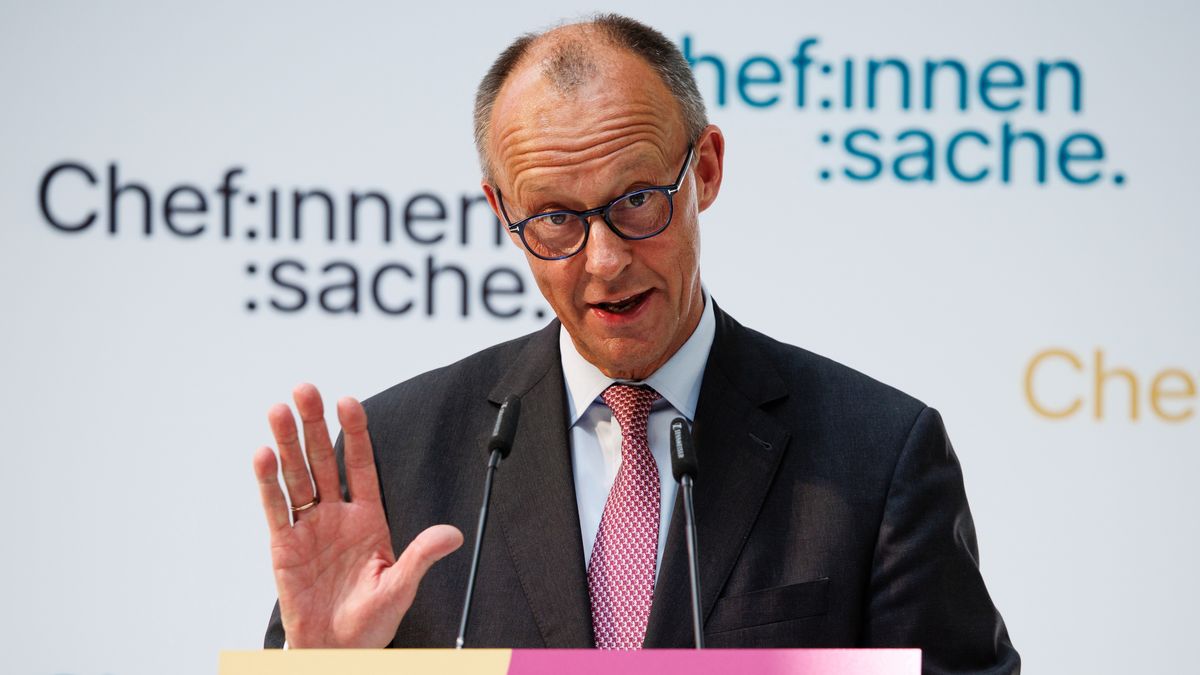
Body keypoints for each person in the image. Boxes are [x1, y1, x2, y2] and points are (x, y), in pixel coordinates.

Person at [252, 13, 1020, 673]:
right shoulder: (396, 458)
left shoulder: (878, 455)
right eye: (554, 217)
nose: (605, 260)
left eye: (638, 200)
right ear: (500, 209)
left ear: (706, 169)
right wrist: (318, 663)